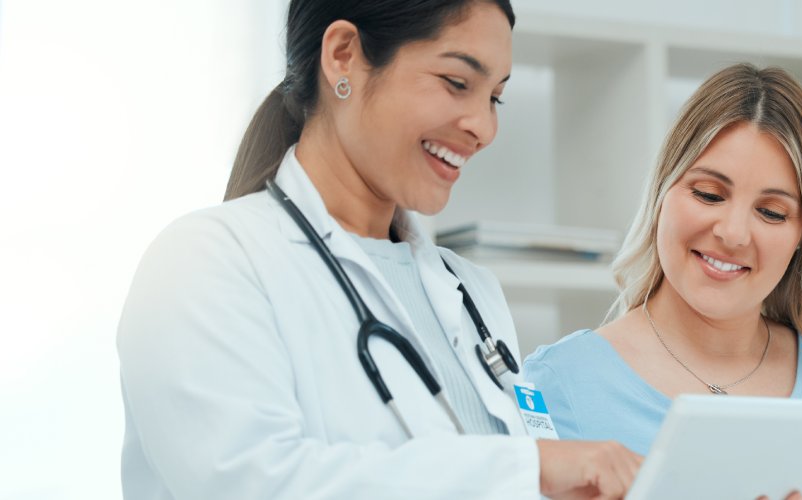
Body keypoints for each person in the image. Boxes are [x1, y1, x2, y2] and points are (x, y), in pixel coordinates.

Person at [116, 1, 640, 498]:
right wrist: (531, 468)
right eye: (457, 83)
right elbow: (251, 484)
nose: (484, 128)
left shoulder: (472, 294)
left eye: (494, 97)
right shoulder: (206, 262)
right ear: (343, 54)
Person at [523, 64, 802, 499]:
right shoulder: (555, 385)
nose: (733, 233)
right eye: (708, 194)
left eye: (772, 212)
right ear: (661, 192)